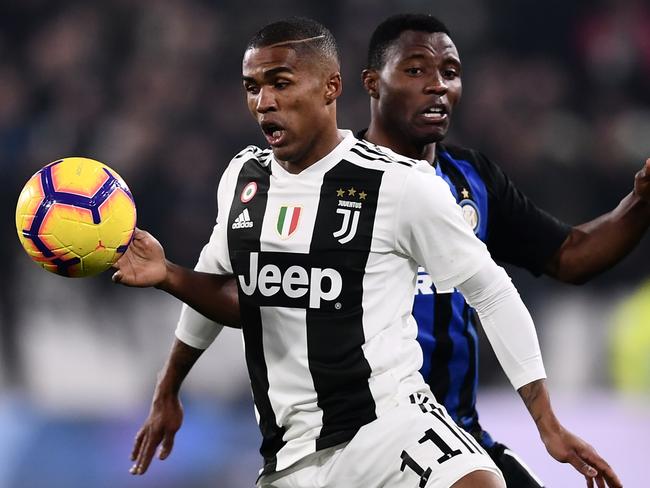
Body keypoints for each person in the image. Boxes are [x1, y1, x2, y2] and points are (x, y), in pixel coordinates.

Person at [115, 17, 621, 488]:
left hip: (391, 426)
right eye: (253, 87)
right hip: (289, 453)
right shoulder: (244, 179)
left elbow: (491, 291)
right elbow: (228, 286)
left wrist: (547, 424)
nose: (263, 101)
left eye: (281, 83)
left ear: (331, 87)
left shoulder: (398, 185)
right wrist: (168, 378)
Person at [358, 13, 650, 487]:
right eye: (415, 70)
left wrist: (640, 201)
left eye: (449, 73)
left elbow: (570, 256)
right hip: (368, 440)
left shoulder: (471, 179)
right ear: (373, 83)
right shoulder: (331, 181)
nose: (437, 85)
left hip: (457, 432)